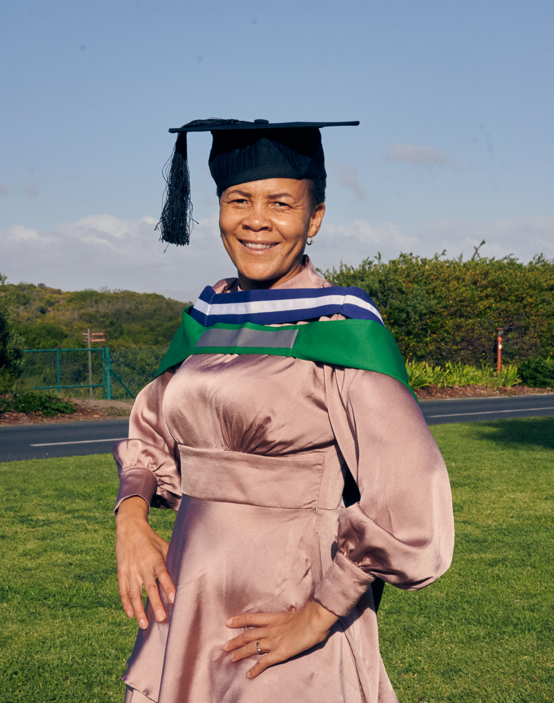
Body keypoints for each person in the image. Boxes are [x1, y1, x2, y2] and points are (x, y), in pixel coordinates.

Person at [114, 119, 454, 703]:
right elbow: (151, 429)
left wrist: (320, 614)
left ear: (314, 218)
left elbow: (409, 498)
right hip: (190, 596)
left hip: (287, 605)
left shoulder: (341, 329)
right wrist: (132, 515)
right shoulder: (209, 316)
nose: (256, 220)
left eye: (281, 203)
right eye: (238, 200)